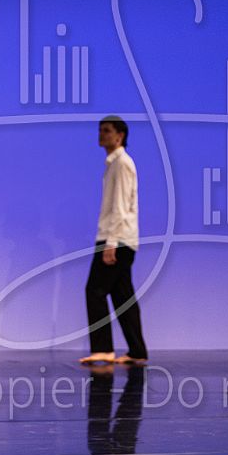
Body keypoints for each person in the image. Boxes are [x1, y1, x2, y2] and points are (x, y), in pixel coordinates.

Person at [79, 116, 149, 365]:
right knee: (122, 296)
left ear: (120, 136)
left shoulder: (121, 163)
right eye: (100, 130)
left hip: (116, 239)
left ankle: (103, 349)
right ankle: (137, 351)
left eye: (107, 130)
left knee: (95, 291)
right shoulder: (115, 163)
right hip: (121, 238)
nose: (102, 134)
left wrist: (111, 243)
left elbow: (120, 206)